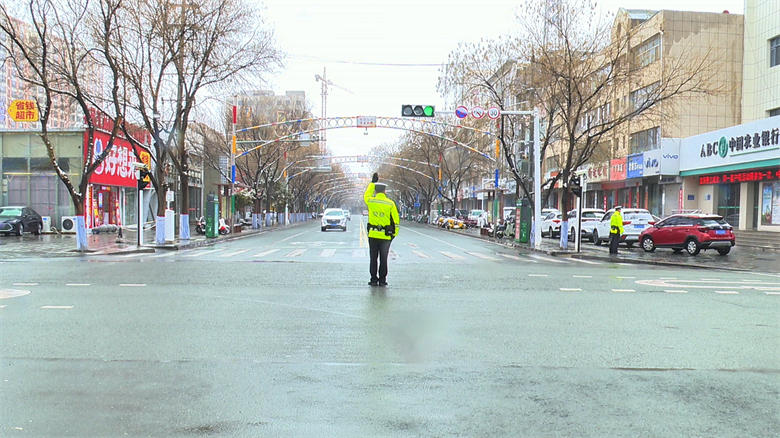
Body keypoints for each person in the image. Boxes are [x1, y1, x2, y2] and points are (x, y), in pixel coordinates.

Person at [364, 173, 400, 286]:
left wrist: (372, 183)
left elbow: (366, 194)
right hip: (386, 236)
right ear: (385, 191)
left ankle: (373, 279)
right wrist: (394, 234)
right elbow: (396, 221)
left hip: (373, 235)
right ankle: (383, 280)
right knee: (383, 258)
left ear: (375, 191)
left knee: (373, 258)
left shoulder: (371, 201)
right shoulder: (390, 203)